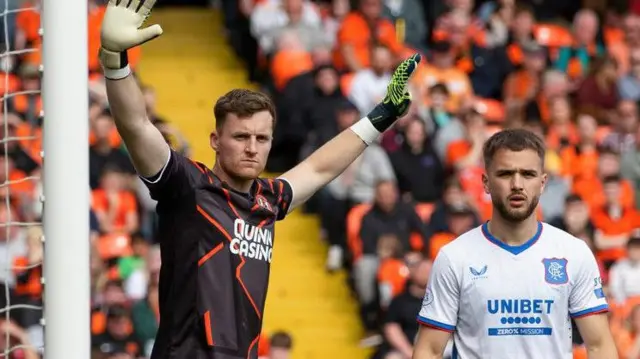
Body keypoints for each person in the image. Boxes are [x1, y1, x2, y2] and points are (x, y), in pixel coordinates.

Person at [98, 1, 421, 358]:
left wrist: (381, 116)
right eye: (241, 137)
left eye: (261, 139)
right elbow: (136, 125)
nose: (252, 148)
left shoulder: (269, 199)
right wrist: (115, 62)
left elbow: (319, 168)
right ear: (215, 141)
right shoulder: (187, 185)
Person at [412, 129, 619, 359]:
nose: (517, 184)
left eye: (528, 174)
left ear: (542, 183)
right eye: (505, 173)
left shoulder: (573, 253)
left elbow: (600, 346)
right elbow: (429, 350)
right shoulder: (454, 257)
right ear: (486, 182)